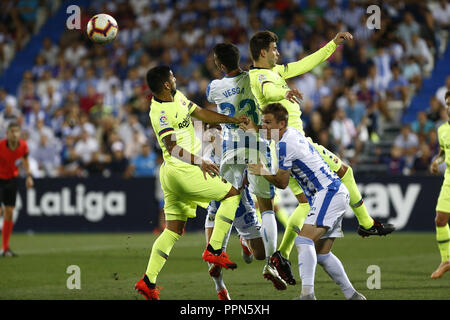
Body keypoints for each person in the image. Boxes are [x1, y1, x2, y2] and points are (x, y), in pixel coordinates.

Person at [247, 31, 395, 283]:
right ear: (263, 52)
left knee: (310, 200)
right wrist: (284, 94)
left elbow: (305, 63)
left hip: (294, 143)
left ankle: (279, 256)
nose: (278, 53)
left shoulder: (277, 72)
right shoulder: (260, 76)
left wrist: (332, 45)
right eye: (274, 48)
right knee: (341, 174)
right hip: (292, 144)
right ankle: (366, 223)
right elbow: (270, 93)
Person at [134, 66, 248, 300]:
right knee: (232, 194)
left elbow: (202, 114)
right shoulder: (160, 112)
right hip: (183, 170)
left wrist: (232, 120)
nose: (176, 79)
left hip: (171, 174)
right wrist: (200, 162)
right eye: (172, 77)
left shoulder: (178, 97)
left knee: (173, 230)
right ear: (166, 84)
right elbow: (171, 147)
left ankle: (148, 281)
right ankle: (215, 248)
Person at [247, 103, 366, 300]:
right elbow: (270, 133)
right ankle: (353, 295)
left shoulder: (285, 145)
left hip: (328, 193)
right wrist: (254, 128)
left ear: (282, 124)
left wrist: (263, 171)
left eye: (268, 123)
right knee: (322, 255)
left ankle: (307, 295)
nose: (264, 126)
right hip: (334, 193)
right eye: (263, 122)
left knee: (303, 240)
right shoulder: (290, 133)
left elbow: (282, 183)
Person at [204, 43, 286, 292]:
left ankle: (237, 243)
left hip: (232, 149)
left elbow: (209, 98)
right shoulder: (253, 79)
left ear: (219, 64)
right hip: (256, 145)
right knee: (261, 206)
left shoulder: (214, 88)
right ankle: (269, 261)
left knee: (228, 199)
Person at [0, 122, 34, 257]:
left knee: (9, 212)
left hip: (12, 180)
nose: (14, 134)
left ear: (19, 134)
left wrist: (29, 176)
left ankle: (5, 248)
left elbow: (25, 160)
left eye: (16, 131)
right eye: (12, 131)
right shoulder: (1, 146)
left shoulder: (23, 146)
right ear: (7, 133)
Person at [429, 91, 450, 279]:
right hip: (449, 180)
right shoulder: (443, 129)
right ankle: (446, 260)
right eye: (448, 104)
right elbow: (443, 152)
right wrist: (437, 162)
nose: (449, 108)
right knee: (440, 220)